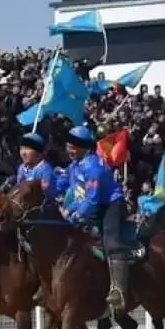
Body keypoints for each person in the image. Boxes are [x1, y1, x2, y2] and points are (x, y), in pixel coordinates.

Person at [61, 125, 131, 312]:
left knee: (111, 241)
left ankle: (118, 290)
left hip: (110, 205)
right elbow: (75, 195)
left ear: (84, 147)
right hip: (91, 206)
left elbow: (91, 201)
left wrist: (75, 215)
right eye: (68, 146)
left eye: (73, 147)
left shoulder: (93, 167)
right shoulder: (74, 166)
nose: (69, 150)